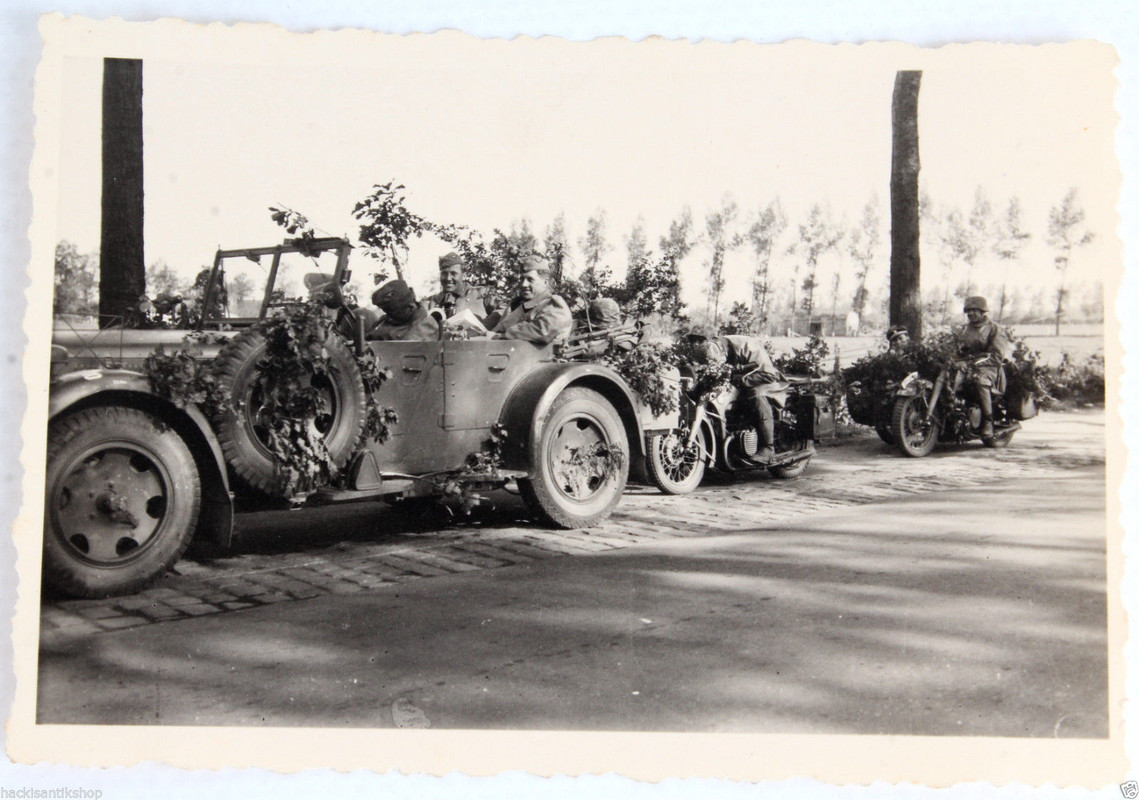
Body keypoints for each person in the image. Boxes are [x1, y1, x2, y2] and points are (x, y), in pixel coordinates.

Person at [687, 327, 784, 463]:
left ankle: (768, 448)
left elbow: (768, 375)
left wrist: (740, 379)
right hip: (738, 378)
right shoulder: (712, 347)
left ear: (722, 355)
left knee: (756, 396)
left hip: (762, 379)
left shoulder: (748, 347)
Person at [954, 295, 1013, 440]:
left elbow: (997, 356)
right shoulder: (964, 329)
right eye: (969, 310)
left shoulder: (994, 329)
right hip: (965, 365)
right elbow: (956, 348)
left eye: (975, 310)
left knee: (980, 382)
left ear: (982, 311)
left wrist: (975, 363)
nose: (971, 313)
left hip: (989, 368)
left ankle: (988, 421)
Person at [491, 255, 573, 345]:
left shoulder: (554, 306)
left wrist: (502, 335)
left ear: (545, 282)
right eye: (522, 279)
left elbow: (543, 331)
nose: (523, 284)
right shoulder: (520, 305)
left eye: (530, 279)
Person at [426, 252, 502, 328]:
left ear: (464, 275)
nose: (448, 278)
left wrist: (483, 326)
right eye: (444, 273)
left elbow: (503, 310)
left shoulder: (482, 294)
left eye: (453, 273)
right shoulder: (434, 302)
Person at [366, 279, 442, 341]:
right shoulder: (389, 320)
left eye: (392, 311)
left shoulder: (425, 326)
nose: (389, 316)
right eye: (386, 311)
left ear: (411, 308)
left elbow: (404, 350)